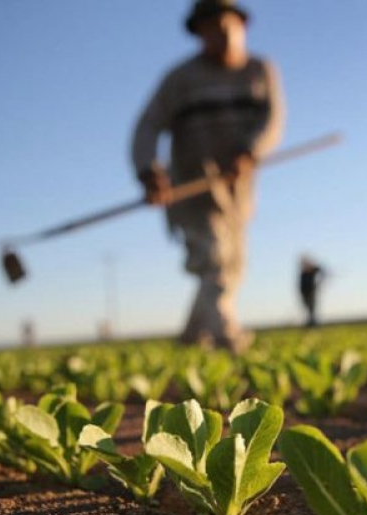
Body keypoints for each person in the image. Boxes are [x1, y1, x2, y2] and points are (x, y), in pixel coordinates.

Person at [131, 0, 285, 353]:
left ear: (242, 26)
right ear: (199, 33)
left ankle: (191, 337)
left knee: (232, 264)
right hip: (191, 186)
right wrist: (147, 170)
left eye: (227, 25)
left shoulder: (261, 71)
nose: (221, 35)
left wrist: (250, 151)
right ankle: (226, 337)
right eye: (211, 28)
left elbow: (272, 120)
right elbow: (147, 126)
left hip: (238, 190)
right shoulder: (180, 80)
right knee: (213, 257)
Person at [298, 256, 324, 327]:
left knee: (312, 308)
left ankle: (313, 323)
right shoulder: (303, 273)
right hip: (304, 293)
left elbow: (321, 271)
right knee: (308, 308)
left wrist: (319, 282)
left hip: (312, 292)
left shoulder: (312, 270)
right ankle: (310, 322)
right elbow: (301, 285)